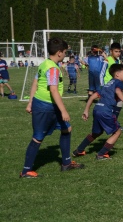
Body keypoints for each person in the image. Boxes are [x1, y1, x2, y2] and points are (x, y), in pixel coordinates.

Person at [20, 38, 84, 178]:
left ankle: (66, 163)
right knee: (38, 137)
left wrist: (30, 102)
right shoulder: (53, 68)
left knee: (67, 128)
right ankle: (26, 171)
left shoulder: (44, 64)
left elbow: (35, 83)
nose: (65, 55)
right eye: (65, 52)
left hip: (44, 105)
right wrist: (63, 110)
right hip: (46, 106)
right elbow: (53, 90)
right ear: (59, 52)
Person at [73, 64, 123, 160]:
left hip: (97, 109)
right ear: (117, 74)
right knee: (117, 132)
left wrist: (86, 110)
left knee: (96, 132)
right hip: (106, 111)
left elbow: (92, 96)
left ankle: (79, 150)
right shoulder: (118, 83)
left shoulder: (107, 84)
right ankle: (101, 154)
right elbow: (118, 91)